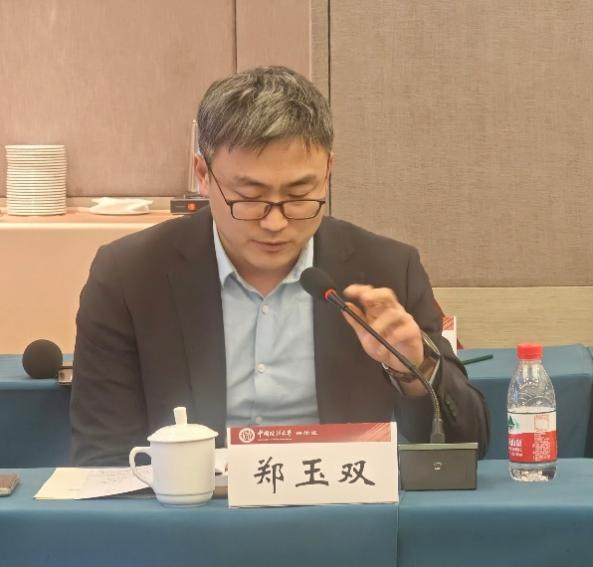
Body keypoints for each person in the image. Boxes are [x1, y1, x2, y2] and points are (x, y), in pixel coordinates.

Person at [70, 66, 489, 466]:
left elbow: (468, 446)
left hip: (342, 508)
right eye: (250, 197)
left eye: (299, 195)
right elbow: (103, 461)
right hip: (191, 510)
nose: (275, 222)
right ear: (203, 174)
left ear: (328, 171)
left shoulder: (386, 269)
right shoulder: (130, 277)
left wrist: (416, 370)